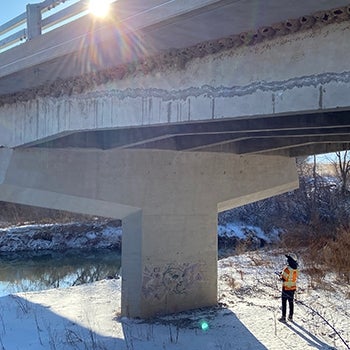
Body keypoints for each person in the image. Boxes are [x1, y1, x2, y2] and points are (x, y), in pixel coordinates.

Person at [279, 253, 299, 322]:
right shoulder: (296, 269)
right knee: (291, 303)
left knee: (284, 303)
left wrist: (280, 275)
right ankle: (290, 317)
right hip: (293, 288)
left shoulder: (287, 269)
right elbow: (294, 277)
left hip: (286, 288)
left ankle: (283, 317)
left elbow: (283, 278)